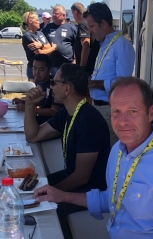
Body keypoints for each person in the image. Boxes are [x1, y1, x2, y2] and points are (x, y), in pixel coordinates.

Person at [33, 77, 153, 239]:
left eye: (132, 111)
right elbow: (111, 199)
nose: (123, 121)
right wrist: (61, 195)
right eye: (116, 112)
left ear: (150, 113)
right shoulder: (118, 149)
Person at [25, 63, 110, 239]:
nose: (50, 86)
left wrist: (52, 192)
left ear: (67, 88)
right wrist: (29, 106)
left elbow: (82, 176)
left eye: (54, 83)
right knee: (33, 186)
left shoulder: (88, 121)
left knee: (41, 207)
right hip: (75, 179)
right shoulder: (68, 113)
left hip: (92, 190)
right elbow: (33, 136)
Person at [83, 2, 135, 147]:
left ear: (103, 23)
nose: (90, 31)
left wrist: (94, 84)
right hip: (97, 106)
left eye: (92, 26)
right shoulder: (105, 44)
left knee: (109, 152)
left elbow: (122, 84)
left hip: (110, 110)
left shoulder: (121, 45)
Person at [12, 54, 62, 125]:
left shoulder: (54, 85)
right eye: (34, 68)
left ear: (49, 69)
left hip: (51, 124)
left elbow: (54, 111)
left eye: (41, 70)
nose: (36, 73)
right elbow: (43, 101)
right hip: (41, 119)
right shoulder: (39, 81)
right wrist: (24, 102)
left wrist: (28, 109)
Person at [42, 5, 77, 76]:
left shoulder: (71, 28)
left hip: (68, 65)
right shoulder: (47, 27)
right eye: (53, 13)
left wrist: (75, 60)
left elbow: (77, 45)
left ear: (63, 15)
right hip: (51, 65)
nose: (54, 15)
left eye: (56, 14)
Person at [22, 11, 57, 82]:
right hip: (34, 69)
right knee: (35, 91)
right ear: (30, 21)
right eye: (37, 20)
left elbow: (48, 45)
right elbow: (40, 53)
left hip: (45, 68)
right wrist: (53, 48)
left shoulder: (40, 33)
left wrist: (41, 45)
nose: (39, 22)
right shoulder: (27, 35)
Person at [71, 2, 99, 76]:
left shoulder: (82, 24)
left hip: (87, 69)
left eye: (72, 13)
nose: (73, 16)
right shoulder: (87, 23)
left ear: (75, 12)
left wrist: (82, 68)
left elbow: (86, 45)